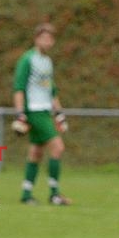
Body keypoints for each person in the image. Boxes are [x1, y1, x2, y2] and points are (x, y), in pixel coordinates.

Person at [12, 22, 71, 205]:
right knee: (58, 147)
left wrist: (59, 114)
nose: (48, 41)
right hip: (34, 111)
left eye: (51, 38)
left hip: (45, 110)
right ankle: (54, 194)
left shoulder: (47, 61)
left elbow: (51, 90)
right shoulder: (27, 59)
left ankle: (26, 193)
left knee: (36, 152)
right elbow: (19, 88)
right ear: (36, 38)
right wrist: (20, 114)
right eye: (45, 37)